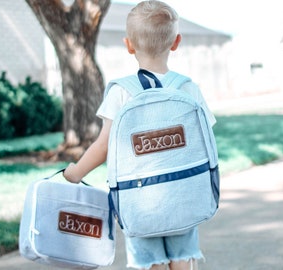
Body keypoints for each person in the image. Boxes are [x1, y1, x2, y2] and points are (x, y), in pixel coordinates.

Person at [64, 1, 216, 269]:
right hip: (184, 193)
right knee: (182, 258)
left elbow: (103, 146)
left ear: (129, 45)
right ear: (176, 42)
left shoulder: (120, 92)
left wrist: (75, 174)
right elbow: (204, 141)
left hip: (139, 199)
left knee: (149, 261)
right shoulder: (188, 89)